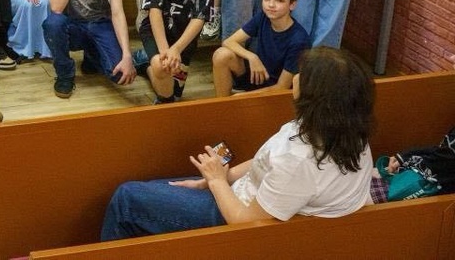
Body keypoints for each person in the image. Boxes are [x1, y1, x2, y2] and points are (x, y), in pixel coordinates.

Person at [103, 47, 374, 240]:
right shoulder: (348, 132)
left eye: (303, 75)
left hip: (234, 218)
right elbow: (266, 162)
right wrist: (222, 177)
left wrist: (217, 181)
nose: (295, 77)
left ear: (317, 97)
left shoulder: (299, 161)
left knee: (126, 199)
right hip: (240, 194)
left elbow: (244, 224)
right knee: (150, 190)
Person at [212, 0, 311, 97]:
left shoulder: (299, 40)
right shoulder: (263, 17)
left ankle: (233, 102)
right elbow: (228, 42)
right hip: (257, 77)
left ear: (292, 4)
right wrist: (252, 57)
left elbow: (282, 87)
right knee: (221, 55)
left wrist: (242, 97)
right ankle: (223, 104)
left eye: (279, 0)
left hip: (277, 93)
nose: (271, 5)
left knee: (239, 97)